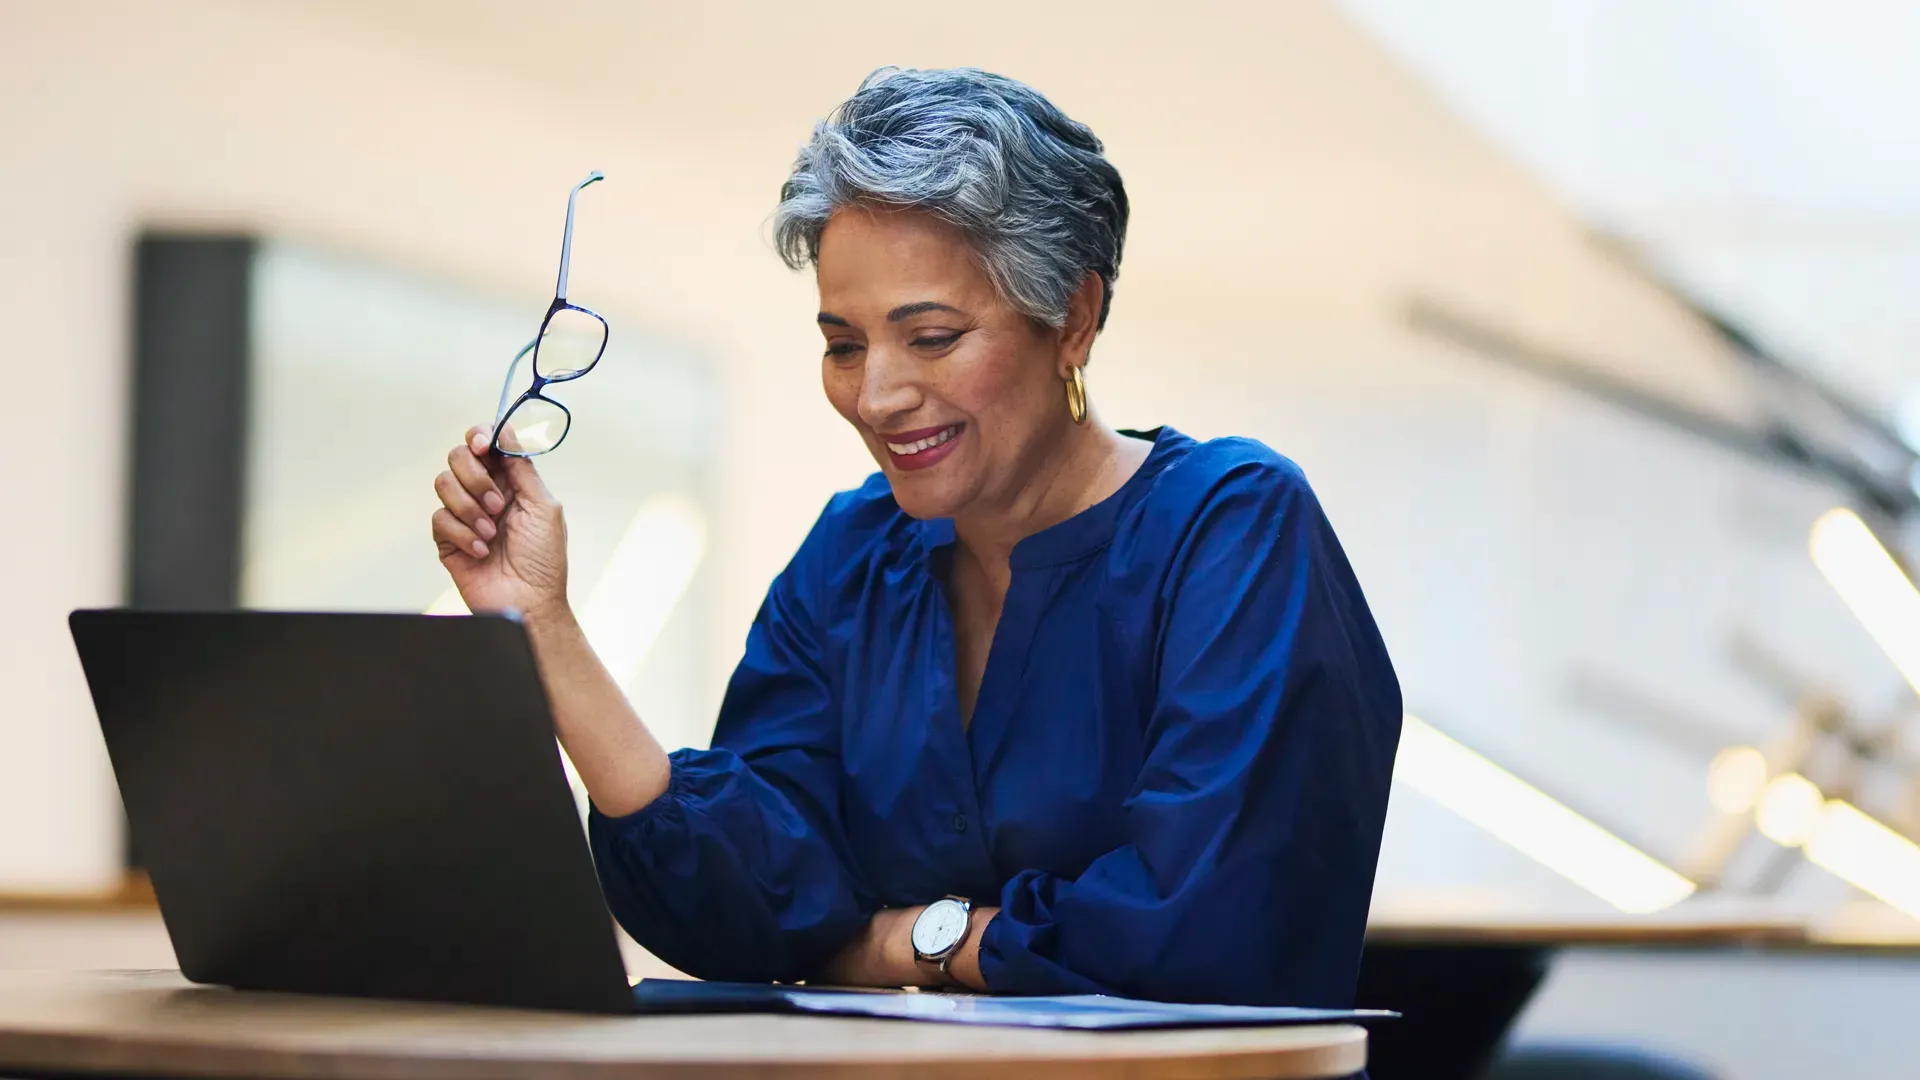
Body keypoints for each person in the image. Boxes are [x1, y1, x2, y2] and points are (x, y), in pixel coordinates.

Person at [430, 66, 1402, 1006]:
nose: (878, 395)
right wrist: (544, 628)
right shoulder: (852, 554)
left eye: (931, 336)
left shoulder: (1231, 526)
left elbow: (1202, 932)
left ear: (1073, 318)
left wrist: (904, 941)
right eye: (843, 344)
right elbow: (745, 914)